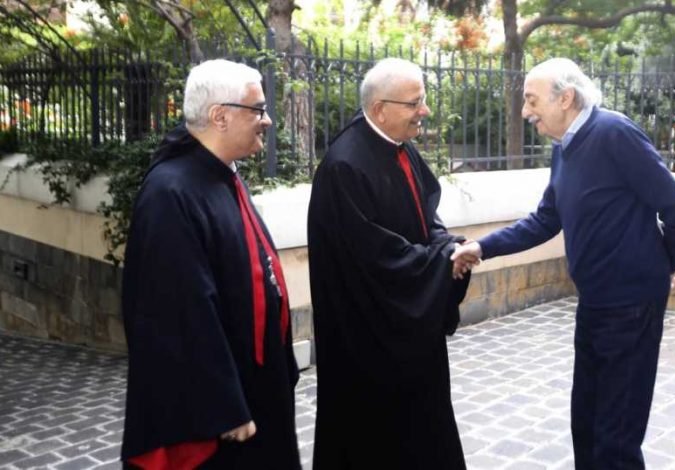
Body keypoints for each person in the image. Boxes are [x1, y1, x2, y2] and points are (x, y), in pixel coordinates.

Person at [452, 58, 675, 469]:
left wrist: (663, 266)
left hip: (631, 306)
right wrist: (482, 247)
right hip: (594, 303)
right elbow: (546, 219)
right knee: (585, 423)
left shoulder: (614, 133)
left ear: (565, 98)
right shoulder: (564, 148)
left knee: (615, 439)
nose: (525, 111)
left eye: (532, 100)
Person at [120, 59, 301, 470]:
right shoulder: (171, 192)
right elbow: (178, 313)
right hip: (221, 412)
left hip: (256, 382)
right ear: (220, 116)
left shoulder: (221, 174)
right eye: (258, 110)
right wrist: (223, 406)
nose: (267, 121)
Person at [307, 57, 471, 470]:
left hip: (410, 334)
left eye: (423, 100)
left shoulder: (402, 148)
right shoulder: (345, 165)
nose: (424, 111)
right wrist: (442, 262)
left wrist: (446, 246)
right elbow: (376, 259)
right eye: (414, 103)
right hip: (370, 340)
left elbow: (425, 216)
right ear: (380, 109)